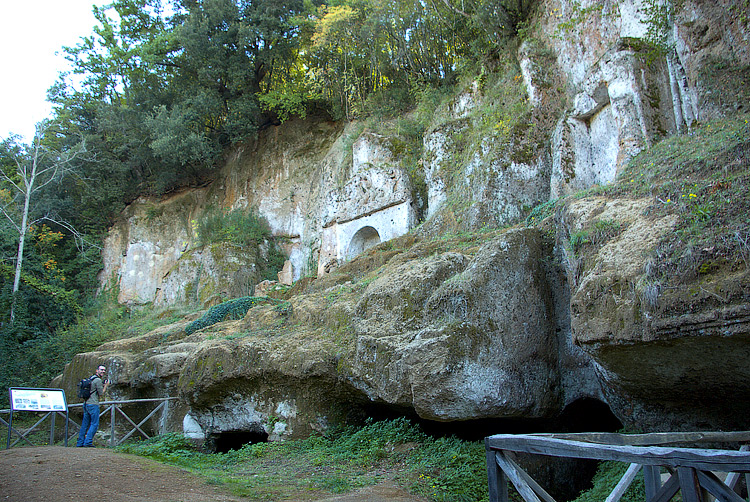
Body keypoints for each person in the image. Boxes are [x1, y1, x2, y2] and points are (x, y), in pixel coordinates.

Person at [76, 365, 109, 447]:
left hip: (86, 403)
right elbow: (101, 393)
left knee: (85, 424)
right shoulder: (97, 380)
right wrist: (106, 386)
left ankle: (80, 443)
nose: (103, 371)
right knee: (94, 424)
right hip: (93, 404)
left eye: (104, 370)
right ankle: (88, 442)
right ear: (97, 370)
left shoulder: (91, 378)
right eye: (101, 370)